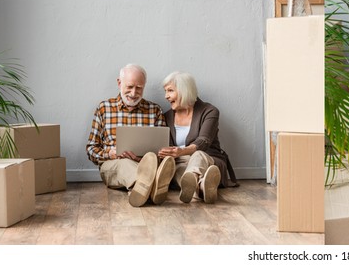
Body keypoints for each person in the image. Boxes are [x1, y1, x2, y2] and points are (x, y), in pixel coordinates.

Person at [86, 64, 176, 207]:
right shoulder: (104, 108)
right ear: (119, 83)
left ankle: (141, 188)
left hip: (146, 162)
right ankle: (152, 185)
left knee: (152, 160)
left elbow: (163, 147)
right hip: (113, 164)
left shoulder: (154, 110)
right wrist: (110, 154)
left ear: (144, 86)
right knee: (125, 164)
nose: (134, 93)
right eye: (130, 87)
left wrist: (141, 158)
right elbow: (91, 149)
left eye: (139, 88)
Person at [158, 71, 239, 204]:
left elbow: (204, 141)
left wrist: (182, 151)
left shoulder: (209, 111)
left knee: (198, 155)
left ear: (184, 91)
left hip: (210, 160)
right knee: (177, 169)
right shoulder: (167, 116)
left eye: (170, 91)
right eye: (165, 91)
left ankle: (194, 179)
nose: (166, 96)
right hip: (181, 162)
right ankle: (201, 188)